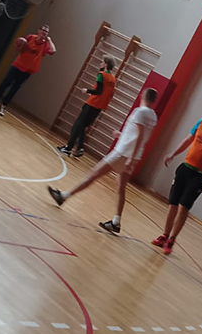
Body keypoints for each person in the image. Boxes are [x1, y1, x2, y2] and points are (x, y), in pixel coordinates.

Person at [47, 88, 158, 234]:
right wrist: (123, 136)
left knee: (94, 174)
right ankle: (116, 222)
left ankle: (63, 196)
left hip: (123, 153)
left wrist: (130, 157)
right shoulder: (153, 116)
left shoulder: (140, 112)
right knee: (121, 188)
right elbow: (143, 137)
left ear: (143, 95)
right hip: (134, 155)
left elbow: (140, 135)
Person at [153, 100, 202, 256]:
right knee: (173, 203)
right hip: (185, 168)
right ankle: (165, 235)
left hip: (200, 176)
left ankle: (171, 240)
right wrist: (173, 154)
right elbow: (188, 140)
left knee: (184, 206)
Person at [0, 23, 56, 116]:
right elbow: (21, 48)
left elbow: (53, 51)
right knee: (4, 84)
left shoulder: (45, 45)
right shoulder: (30, 37)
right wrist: (19, 47)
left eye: (47, 32)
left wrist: (49, 40)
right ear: (39, 31)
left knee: (14, 88)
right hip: (18, 65)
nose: (44, 33)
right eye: (43, 30)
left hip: (28, 70)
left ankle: (3, 107)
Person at [57, 56, 116, 158]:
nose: (100, 63)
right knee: (82, 126)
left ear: (106, 64)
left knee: (77, 126)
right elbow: (110, 94)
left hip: (92, 104)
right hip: (100, 106)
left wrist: (87, 91)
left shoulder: (101, 75)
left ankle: (68, 149)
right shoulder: (113, 78)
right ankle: (79, 148)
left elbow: (98, 91)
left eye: (102, 62)